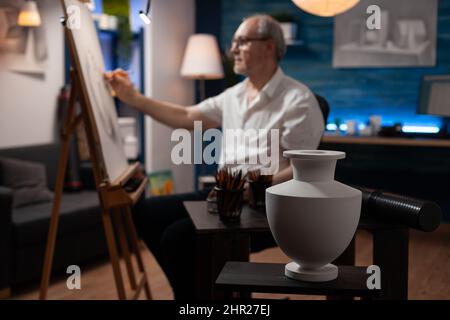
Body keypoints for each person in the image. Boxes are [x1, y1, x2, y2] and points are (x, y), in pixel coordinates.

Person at [105, 14, 325, 299]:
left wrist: (250, 189)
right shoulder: (232, 96)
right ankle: (201, 294)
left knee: (177, 237)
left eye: (241, 41)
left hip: (269, 207)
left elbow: (302, 169)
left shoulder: (299, 100)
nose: (232, 49)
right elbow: (187, 116)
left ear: (269, 47)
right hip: (226, 196)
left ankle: (197, 298)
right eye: (233, 42)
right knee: (145, 212)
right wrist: (133, 98)